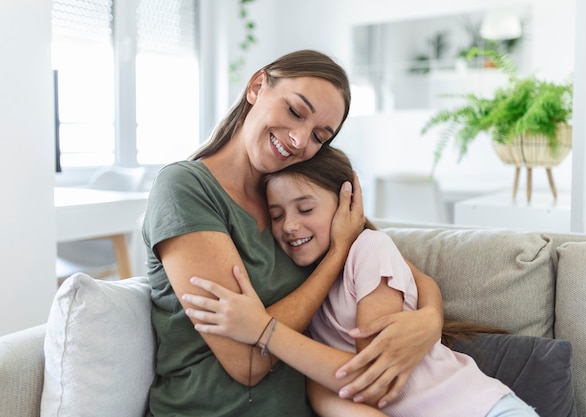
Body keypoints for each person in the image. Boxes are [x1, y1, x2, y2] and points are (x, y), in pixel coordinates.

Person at [142, 49, 444, 416]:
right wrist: (335, 256)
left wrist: (431, 320)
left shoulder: (294, 198)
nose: (301, 141)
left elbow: (395, 263)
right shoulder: (185, 188)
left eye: (320, 136)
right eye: (295, 111)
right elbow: (246, 363)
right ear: (257, 86)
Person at [183, 145, 541, 417]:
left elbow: (374, 379)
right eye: (277, 216)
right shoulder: (303, 284)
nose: (290, 225)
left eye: (305, 209)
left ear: (347, 203)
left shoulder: (370, 249)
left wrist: (265, 330)